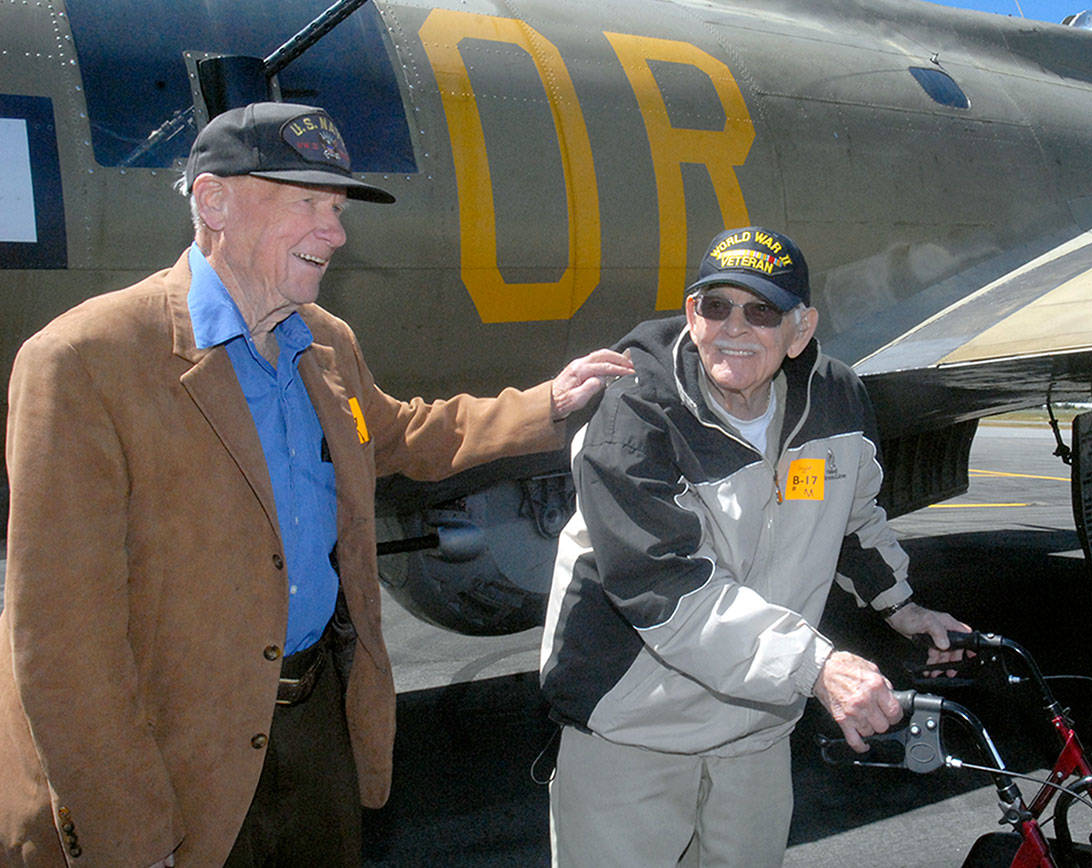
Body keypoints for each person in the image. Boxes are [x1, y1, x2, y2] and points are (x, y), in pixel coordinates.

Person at [0, 101, 633, 867]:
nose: (335, 232)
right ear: (213, 202)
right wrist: (128, 836)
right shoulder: (84, 361)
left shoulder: (325, 343)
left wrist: (549, 403)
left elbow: (399, 434)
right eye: (307, 202)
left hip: (313, 728)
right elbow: (60, 645)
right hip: (172, 744)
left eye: (336, 208)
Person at [539, 226, 968, 866]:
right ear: (692, 314)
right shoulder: (636, 412)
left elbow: (852, 520)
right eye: (717, 306)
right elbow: (666, 590)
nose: (734, 328)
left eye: (761, 310)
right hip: (633, 731)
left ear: (800, 330)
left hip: (758, 728)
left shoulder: (836, 400)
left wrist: (903, 607)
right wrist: (817, 668)